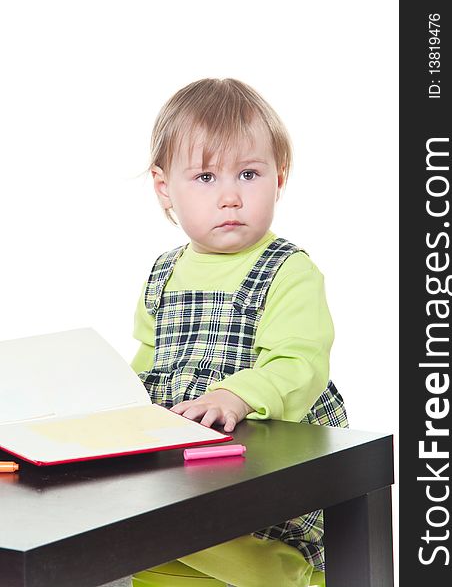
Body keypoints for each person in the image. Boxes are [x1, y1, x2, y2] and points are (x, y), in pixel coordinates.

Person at [129, 78, 348, 587]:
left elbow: (299, 362)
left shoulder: (288, 270)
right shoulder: (163, 274)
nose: (230, 197)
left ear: (278, 179)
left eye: (248, 174)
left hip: (262, 469)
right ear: (166, 188)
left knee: (231, 547)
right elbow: (149, 363)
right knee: (139, 548)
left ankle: (296, 577)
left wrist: (236, 394)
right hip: (182, 468)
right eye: (205, 177)